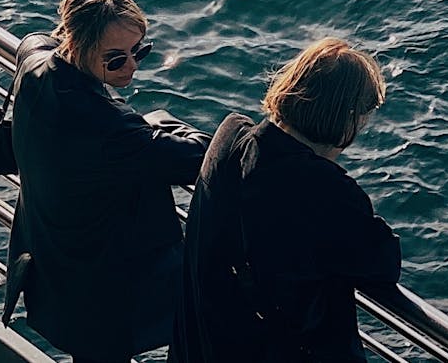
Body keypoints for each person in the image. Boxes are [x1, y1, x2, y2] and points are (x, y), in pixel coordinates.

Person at [2, 0, 211, 363]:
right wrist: (162, 124)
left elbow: (34, 42)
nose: (131, 66)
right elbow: (198, 157)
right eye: (116, 58)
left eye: (139, 50)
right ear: (78, 46)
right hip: (106, 295)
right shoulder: (111, 128)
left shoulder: (33, 71)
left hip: (55, 272)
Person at [171, 38, 399, 363]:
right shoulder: (328, 190)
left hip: (202, 346)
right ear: (346, 116)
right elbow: (383, 262)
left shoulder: (231, 137)